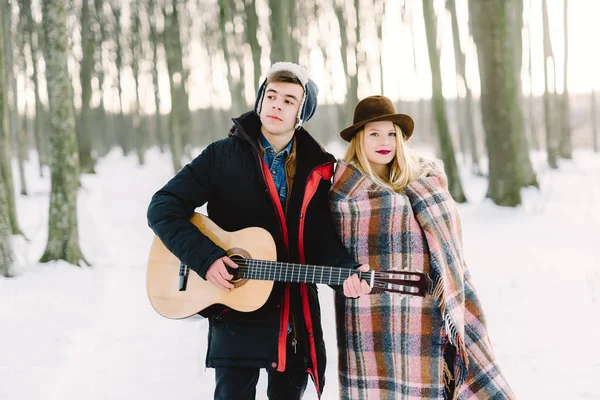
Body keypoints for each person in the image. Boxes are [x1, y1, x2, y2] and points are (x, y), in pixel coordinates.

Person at [146, 62, 368, 400]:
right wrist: (207, 259)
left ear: (300, 115)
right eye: (271, 95)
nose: (277, 105)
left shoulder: (320, 168)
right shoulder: (222, 155)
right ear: (260, 100)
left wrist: (348, 274)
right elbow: (163, 207)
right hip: (234, 310)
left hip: (293, 316)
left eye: (289, 100)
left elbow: (321, 241)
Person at [330, 95, 515, 399]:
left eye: (391, 133)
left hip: (435, 312)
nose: (384, 141)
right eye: (374, 134)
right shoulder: (345, 195)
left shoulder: (427, 182)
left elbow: (451, 250)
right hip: (375, 317)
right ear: (359, 140)